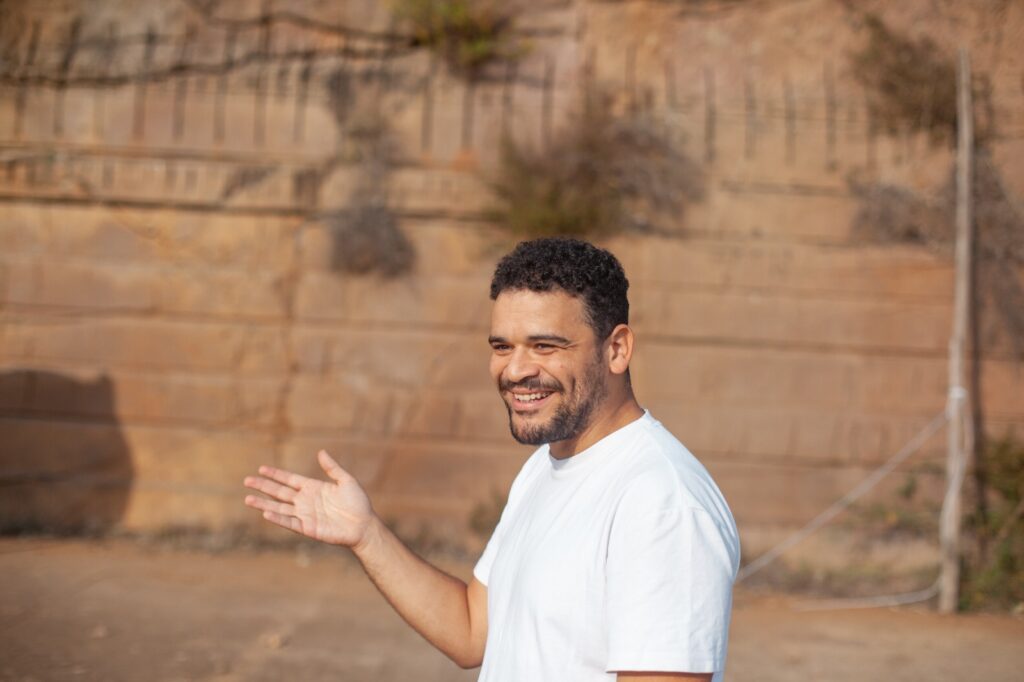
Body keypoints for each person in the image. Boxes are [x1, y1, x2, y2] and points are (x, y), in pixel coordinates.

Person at [244, 237, 740, 681]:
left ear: (617, 349)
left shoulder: (662, 503)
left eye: (545, 346)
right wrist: (367, 535)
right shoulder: (545, 466)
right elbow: (472, 631)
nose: (516, 369)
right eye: (503, 346)